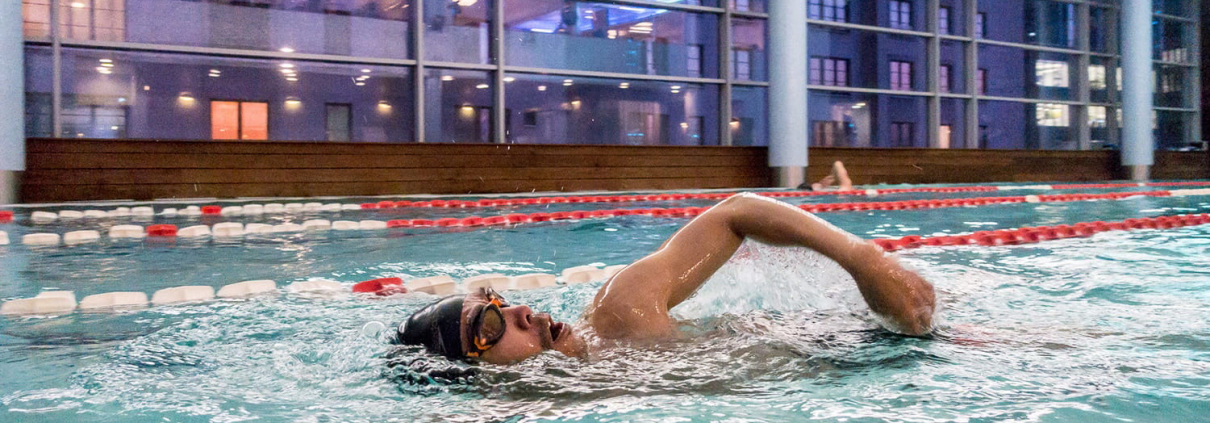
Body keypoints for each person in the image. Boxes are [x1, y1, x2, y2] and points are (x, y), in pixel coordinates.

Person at [394, 193, 936, 365]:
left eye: (499, 302)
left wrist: (862, 258)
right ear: (478, 375)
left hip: (864, 345)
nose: (521, 312)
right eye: (490, 324)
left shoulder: (622, 310)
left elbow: (735, 213)